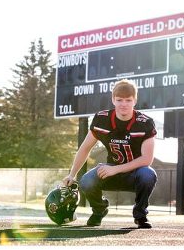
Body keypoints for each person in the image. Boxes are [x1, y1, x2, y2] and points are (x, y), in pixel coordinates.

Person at [62, 79, 157, 228]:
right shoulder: (102, 119)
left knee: (148, 174)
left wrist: (115, 169)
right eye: (119, 100)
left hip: (135, 174)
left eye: (128, 100)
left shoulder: (145, 122)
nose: (123, 104)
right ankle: (99, 209)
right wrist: (72, 174)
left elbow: (147, 159)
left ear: (135, 100)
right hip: (110, 171)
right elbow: (85, 148)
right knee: (86, 180)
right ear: (113, 99)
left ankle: (140, 215)